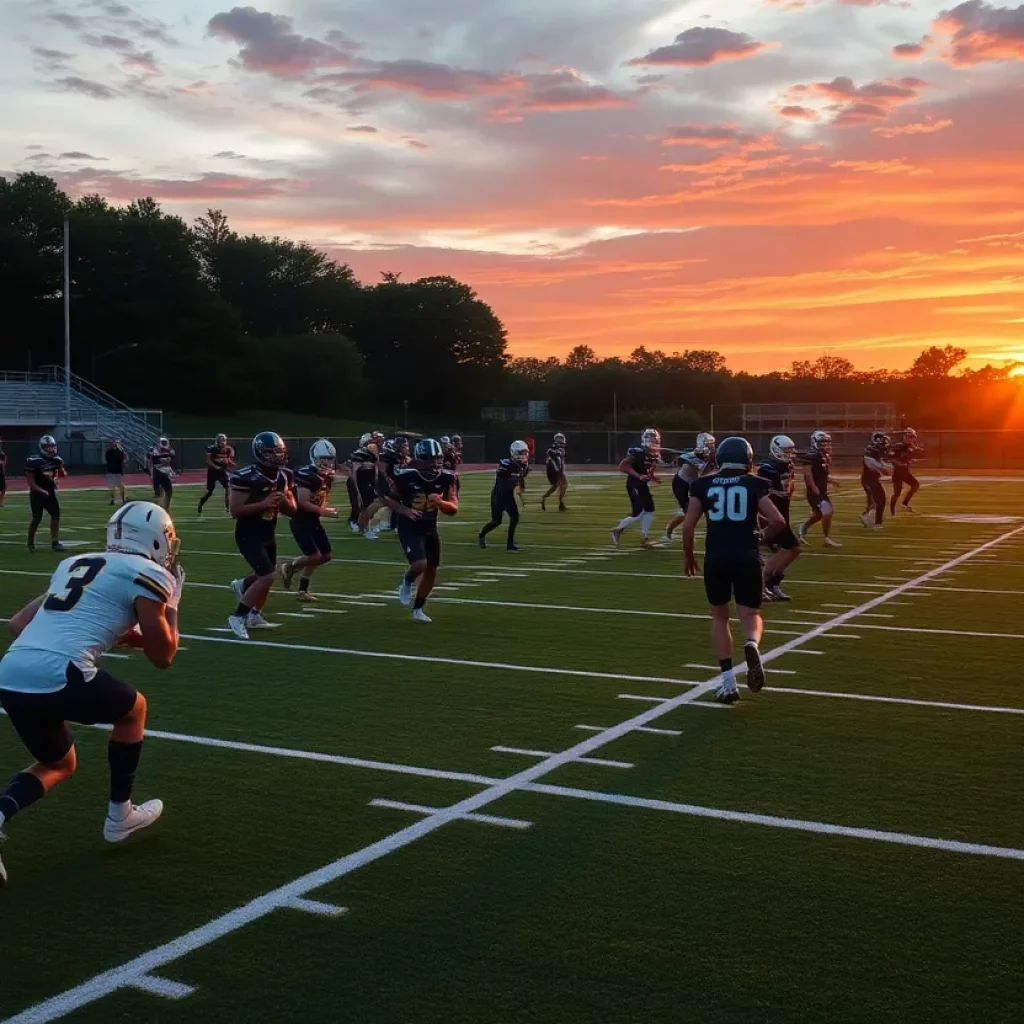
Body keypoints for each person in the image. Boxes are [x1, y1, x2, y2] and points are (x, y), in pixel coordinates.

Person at [0, 501, 183, 886]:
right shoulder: (149, 573)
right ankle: (121, 815)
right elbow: (163, 656)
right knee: (134, 710)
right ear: (154, 540)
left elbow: (18, 624)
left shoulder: (76, 562)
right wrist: (173, 608)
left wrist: (118, 632)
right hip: (57, 671)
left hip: (11, 671)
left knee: (59, 764)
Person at [682, 436, 785, 705]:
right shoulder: (755, 483)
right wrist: (760, 536)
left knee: (719, 616)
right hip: (746, 555)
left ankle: (728, 683)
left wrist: (689, 556)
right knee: (750, 613)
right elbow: (778, 521)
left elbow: (688, 526)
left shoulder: (702, 485)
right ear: (748, 459)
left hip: (716, 557)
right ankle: (751, 643)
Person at [227, 431, 296, 640]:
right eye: (270, 452)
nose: (276, 456)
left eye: (279, 451)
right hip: (248, 532)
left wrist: (283, 500)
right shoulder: (245, 476)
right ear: (259, 453)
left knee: (265, 576)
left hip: (268, 530)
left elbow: (292, 510)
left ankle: (252, 610)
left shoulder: (284, 476)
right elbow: (235, 510)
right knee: (266, 575)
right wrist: (264, 504)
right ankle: (237, 616)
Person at [383, 438, 459, 622]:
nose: (433, 462)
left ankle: (418, 609)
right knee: (419, 564)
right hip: (409, 526)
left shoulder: (448, 477)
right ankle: (407, 580)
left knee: (432, 570)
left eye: (436, 458)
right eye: (428, 458)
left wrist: (440, 502)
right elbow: (386, 497)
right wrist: (405, 511)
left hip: (430, 527)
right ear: (419, 458)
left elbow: (454, 508)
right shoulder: (406, 476)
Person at [281, 440, 338, 603]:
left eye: (329, 458)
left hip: (313, 520)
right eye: (323, 458)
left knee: (325, 556)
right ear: (314, 457)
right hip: (300, 520)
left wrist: (323, 509)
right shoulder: (306, 474)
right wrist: (324, 511)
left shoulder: (326, 477)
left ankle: (302, 590)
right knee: (314, 556)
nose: (326, 461)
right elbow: (303, 502)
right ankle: (291, 566)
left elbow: (321, 498)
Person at [758, 435, 802, 601]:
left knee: (786, 549)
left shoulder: (787, 465)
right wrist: (764, 517)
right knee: (791, 548)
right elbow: (762, 495)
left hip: (782, 511)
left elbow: (788, 487)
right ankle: (768, 584)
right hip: (772, 514)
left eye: (791, 450)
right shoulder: (766, 469)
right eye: (787, 450)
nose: (790, 454)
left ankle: (769, 583)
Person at [611, 428, 662, 549]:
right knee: (639, 512)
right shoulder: (638, 452)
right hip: (634, 484)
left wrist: (652, 477)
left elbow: (649, 468)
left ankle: (644, 537)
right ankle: (618, 529)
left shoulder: (653, 453)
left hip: (641, 484)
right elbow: (623, 466)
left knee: (650, 509)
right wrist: (639, 476)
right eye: (652, 440)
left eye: (655, 441)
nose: (654, 443)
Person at [662, 432, 716, 543]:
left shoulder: (711, 456)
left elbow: (709, 472)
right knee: (688, 512)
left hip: (695, 483)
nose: (711, 447)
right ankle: (669, 531)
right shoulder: (692, 456)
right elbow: (696, 469)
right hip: (682, 483)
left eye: (712, 444)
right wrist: (700, 458)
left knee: (699, 509)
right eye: (708, 444)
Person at [478, 441, 530, 551]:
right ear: (514, 453)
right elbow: (503, 482)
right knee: (496, 521)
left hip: (509, 494)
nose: (523, 456)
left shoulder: (524, 466)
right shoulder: (505, 464)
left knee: (515, 518)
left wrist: (520, 491)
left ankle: (510, 544)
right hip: (499, 495)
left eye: (525, 453)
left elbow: (520, 479)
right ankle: (482, 535)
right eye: (521, 453)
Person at [798, 430, 841, 548]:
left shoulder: (822, 456)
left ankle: (803, 527)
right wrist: (813, 487)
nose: (825, 445)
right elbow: (807, 474)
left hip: (821, 490)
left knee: (819, 515)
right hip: (815, 492)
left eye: (827, 443)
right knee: (828, 512)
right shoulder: (811, 456)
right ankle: (826, 539)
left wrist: (831, 481)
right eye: (822, 443)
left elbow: (822, 475)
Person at [26, 435, 67, 553]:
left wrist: (60, 471)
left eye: (52, 446)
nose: (50, 449)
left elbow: (63, 474)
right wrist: (40, 490)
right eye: (47, 447)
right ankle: (30, 541)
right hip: (37, 493)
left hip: (50, 492)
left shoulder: (57, 460)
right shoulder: (33, 461)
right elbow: (30, 482)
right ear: (41, 447)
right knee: (36, 518)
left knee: (56, 515)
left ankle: (55, 542)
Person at [859, 432, 892, 529]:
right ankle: (876, 522)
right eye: (883, 443)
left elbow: (880, 464)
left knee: (875, 502)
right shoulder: (870, 453)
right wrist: (885, 469)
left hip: (871, 480)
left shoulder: (874, 453)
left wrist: (885, 468)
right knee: (879, 501)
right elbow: (873, 465)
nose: (885, 446)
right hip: (869, 481)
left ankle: (867, 517)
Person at [198, 434, 236, 515]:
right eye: (220, 441)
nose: (222, 443)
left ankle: (227, 507)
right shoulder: (211, 449)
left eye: (223, 441)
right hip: (212, 472)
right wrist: (216, 466)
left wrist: (231, 463)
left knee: (227, 487)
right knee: (209, 492)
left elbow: (228, 459)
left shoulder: (229, 449)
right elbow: (208, 461)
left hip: (222, 471)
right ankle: (201, 502)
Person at [889, 427, 923, 515]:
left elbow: (907, 456)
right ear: (906, 436)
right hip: (898, 472)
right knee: (897, 493)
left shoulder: (910, 446)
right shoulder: (898, 446)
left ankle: (904, 504)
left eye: (913, 437)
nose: (912, 439)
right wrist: (900, 463)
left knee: (915, 485)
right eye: (910, 437)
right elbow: (891, 458)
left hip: (905, 472)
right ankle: (892, 510)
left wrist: (909, 461)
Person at [541, 433, 569, 512]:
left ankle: (548, 498)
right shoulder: (560, 450)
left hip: (553, 470)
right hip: (556, 470)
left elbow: (548, 459)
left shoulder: (552, 449)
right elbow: (559, 463)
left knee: (558, 485)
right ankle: (560, 504)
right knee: (562, 485)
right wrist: (560, 472)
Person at [147, 437, 176, 511]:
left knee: (159, 492)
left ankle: (156, 509)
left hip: (158, 472)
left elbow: (150, 461)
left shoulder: (156, 450)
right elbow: (151, 461)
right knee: (168, 490)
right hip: (160, 471)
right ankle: (165, 508)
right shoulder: (159, 451)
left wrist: (151, 473)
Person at [104, 440, 127, 507]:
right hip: (115, 471)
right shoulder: (118, 451)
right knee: (115, 485)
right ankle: (118, 499)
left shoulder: (110, 451)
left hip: (113, 471)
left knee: (114, 486)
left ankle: (115, 499)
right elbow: (122, 459)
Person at [0, 436, 7, 509]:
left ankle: (1, 502)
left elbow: (4, 463)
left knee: (3, 489)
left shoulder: (2, 453)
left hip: (1, 472)